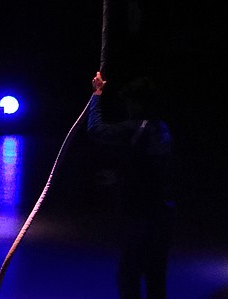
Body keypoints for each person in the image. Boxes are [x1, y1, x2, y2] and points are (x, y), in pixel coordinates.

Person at [88, 70, 174, 299]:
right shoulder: (163, 129)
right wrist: (120, 177)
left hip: (139, 217)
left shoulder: (137, 128)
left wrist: (96, 95)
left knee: (129, 277)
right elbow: (149, 169)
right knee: (156, 278)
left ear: (138, 103)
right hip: (161, 216)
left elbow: (96, 129)